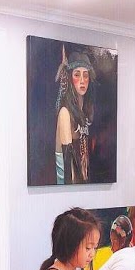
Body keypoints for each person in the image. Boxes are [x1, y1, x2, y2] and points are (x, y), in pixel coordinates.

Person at [54, 49, 93, 184]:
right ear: (70, 78)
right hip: (69, 186)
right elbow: (68, 168)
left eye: (85, 76)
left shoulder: (84, 113)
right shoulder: (65, 113)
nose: (82, 81)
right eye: (77, 75)